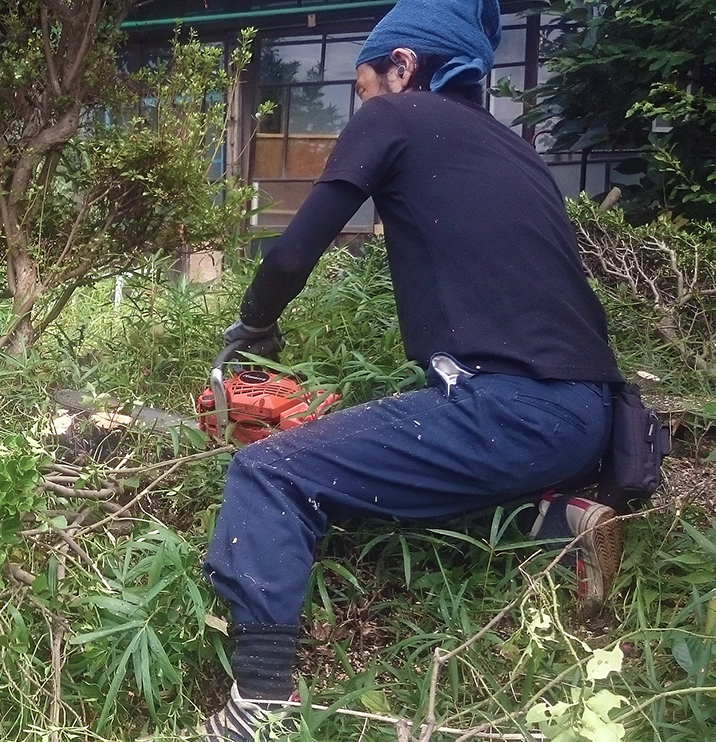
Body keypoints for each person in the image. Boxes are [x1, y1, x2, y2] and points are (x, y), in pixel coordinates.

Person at [191, 0, 625, 739]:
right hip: (590, 419)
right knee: (399, 459)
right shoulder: (514, 149)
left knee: (269, 472)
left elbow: (294, 253)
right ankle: (558, 519)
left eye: (362, 87)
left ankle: (261, 703)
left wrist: (253, 324)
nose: (360, 103)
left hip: (511, 412)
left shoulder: (395, 116)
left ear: (403, 66)